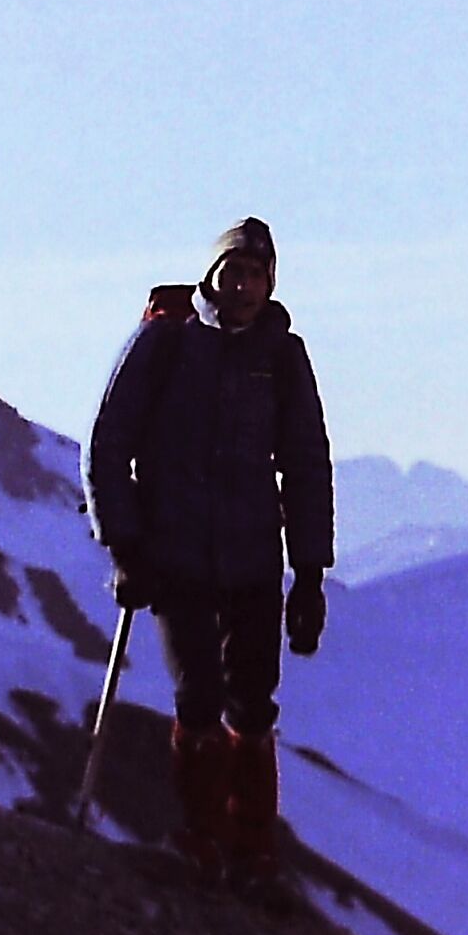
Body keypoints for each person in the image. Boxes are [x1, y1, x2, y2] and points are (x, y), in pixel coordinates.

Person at [84, 218, 333, 896]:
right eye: (234, 272)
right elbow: (108, 443)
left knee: (252, 703)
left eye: (256, 275)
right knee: (198, 695)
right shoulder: (166, 342)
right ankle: (204, 838)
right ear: (212, 275)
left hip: (253, 560)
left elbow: (306, 463)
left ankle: (250, 851)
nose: (243, 286)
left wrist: (310, 573)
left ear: (270, 284)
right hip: (175, 553)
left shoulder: (283, 357)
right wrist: (125, 544)